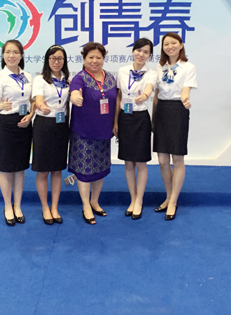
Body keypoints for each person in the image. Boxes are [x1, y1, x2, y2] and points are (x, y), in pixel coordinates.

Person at [69, 42, 116, 225]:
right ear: (84, 59)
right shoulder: (80, 78)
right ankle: (85, 205)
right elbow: (74, 92)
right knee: (84, 170)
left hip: (104, 131)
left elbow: (116, 101)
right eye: (91, 57)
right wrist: (75, 98)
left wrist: (115, 123)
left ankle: (94, 201)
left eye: (98, 57)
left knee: (100, 169)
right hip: (84, 132)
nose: (94, 61)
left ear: (103, 59)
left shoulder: (110, 78)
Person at [0, 40, 34, 226]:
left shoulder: (28, 76)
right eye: (8, 52)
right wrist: (2, 106)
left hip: (24, 123)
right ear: (3, 55)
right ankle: (8, 206)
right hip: (6, 124)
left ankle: (18, 205)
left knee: (20, 167)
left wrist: (30, 116)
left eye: (15, 52)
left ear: (21, 55)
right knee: (7, 168)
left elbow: (33, 101)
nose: (11, 55)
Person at [152, 32, 197, 221]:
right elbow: (156, 93)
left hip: (178, 110)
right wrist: (153, 116)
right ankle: (169, 196)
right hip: (161, 111)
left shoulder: (188, 67)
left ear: (181, 45)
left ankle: (173, 201)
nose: (169, 46)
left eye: (173, 43)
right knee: (162, 160)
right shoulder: (159, 67)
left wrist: (185, 99)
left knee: (177, 158)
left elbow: (186, 89)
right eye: (166, 44)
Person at [113, 38, 156, 220]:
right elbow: (118, 96)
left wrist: (144, 96)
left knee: (141, 162)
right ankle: (133, 198)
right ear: (133, 51)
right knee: (128, 162)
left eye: (146, 52)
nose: (141, 54)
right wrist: (115, 121)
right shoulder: (122, 71)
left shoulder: (151, 73)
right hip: (125, 118)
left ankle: (139, 200)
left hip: (141, 119)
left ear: (149, 55)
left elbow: (149, 89)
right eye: (139, 50)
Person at [31, 45, 71, 225]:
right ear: (47, 60)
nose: (57, 61)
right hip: (44, 125)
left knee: (57, 169)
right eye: (53, 58)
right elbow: (38, 99)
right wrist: (42, 106)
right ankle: (45, 207)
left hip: (61, 126)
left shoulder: (67, 81)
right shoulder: (40, 80)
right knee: (43, 169)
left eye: (60, 58)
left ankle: (54, 207)